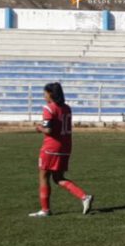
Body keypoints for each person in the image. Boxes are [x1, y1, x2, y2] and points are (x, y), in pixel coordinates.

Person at [29, 82, 94, 217]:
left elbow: (49, 130)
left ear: (51, 94)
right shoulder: (67, 108)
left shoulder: (48, 108)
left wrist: (39, 128)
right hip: (65, 146)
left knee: (44, 176)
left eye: (45, 93)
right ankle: (84, 197)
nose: (44, 96)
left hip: (51, 147)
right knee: (58, 177)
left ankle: (45, 210)